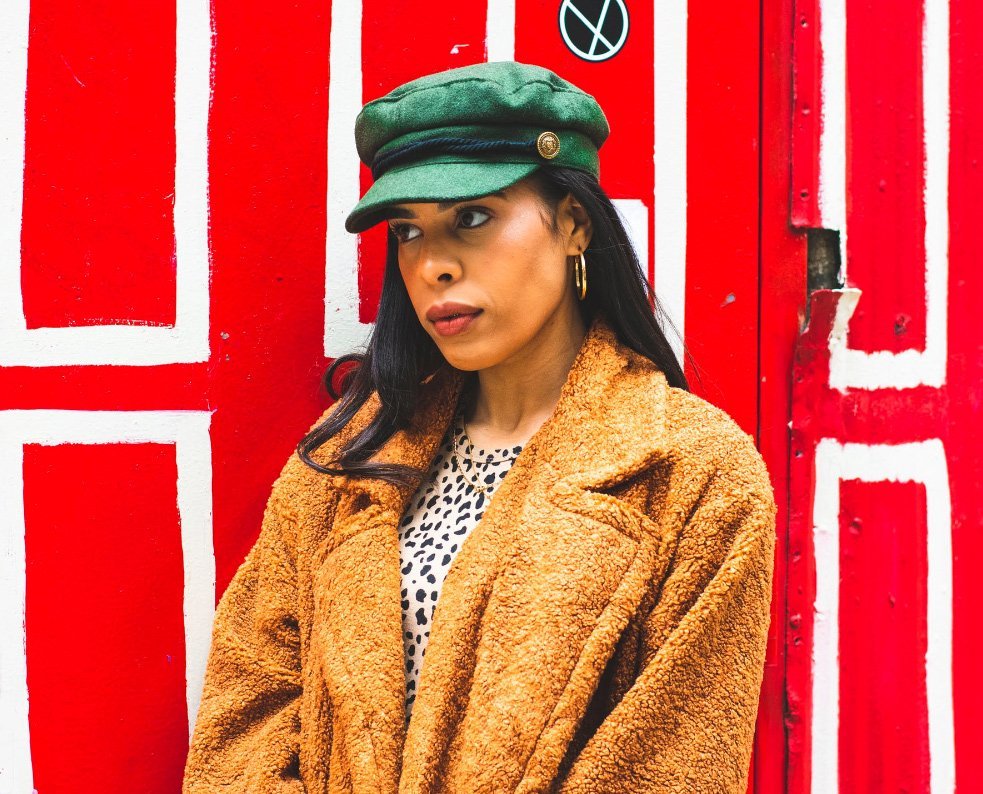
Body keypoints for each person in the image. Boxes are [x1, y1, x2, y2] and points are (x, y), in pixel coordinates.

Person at [182, 61, 777, 793]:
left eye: (471, 218)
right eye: (408, 231)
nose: (432, 264)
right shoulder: (343, 461)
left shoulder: (694, 473)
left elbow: (672, 767)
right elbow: (244, 728)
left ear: (573, 223)